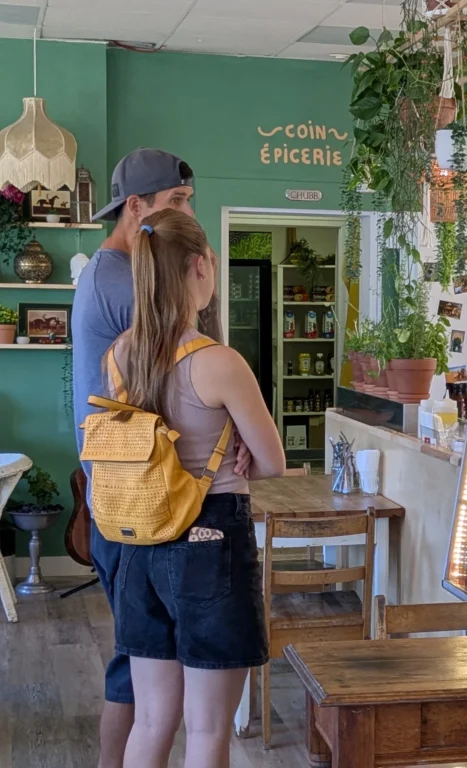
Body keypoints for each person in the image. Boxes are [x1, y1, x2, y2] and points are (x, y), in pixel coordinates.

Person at [70, 148, 250, 768]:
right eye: (174, 204)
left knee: (145, 679)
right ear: (135, 208)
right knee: (162, 696)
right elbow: (188, 378)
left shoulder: (111, 276)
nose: (183, 216)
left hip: (136, 493)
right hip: (159, 498)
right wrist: (233, 424)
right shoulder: (124, 280)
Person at [106, 209, 284, 766]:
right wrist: (238, 453)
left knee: (153, 720)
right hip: (210, 542)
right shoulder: (218, 362)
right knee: (207, 732)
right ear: (200, 266)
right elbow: (274, 462)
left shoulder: (121, 354)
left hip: (139, 543)